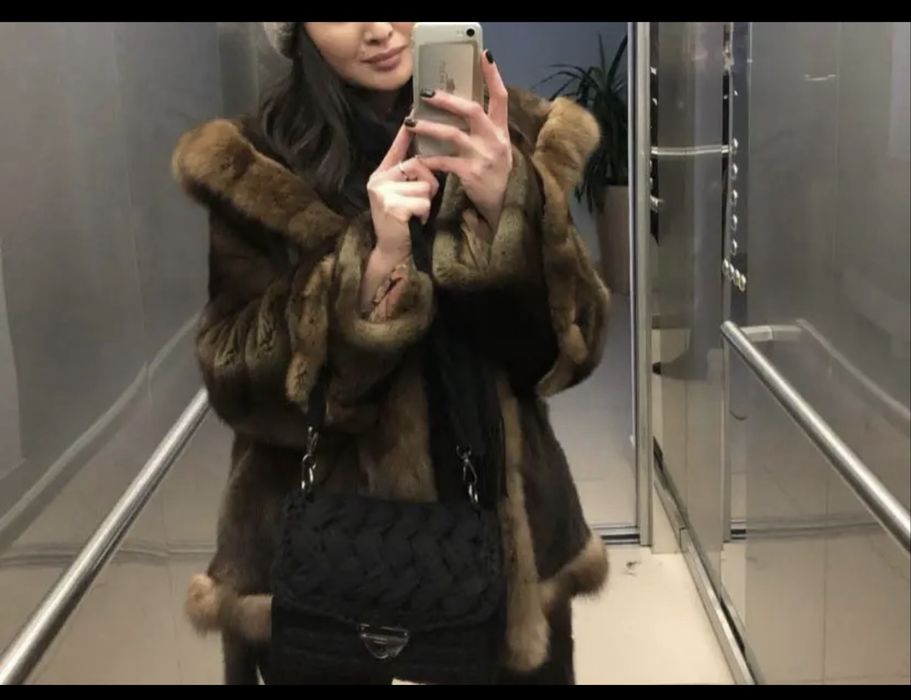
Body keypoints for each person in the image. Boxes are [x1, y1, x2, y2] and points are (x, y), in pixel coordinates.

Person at [171, 21, 611, 684]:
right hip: (324, 551)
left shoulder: (515, 135)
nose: (378, 29)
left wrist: (508, 214)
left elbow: (573, 346)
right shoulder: (254, 162)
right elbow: (233, 377)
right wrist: (367, 275)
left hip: (502, 538)